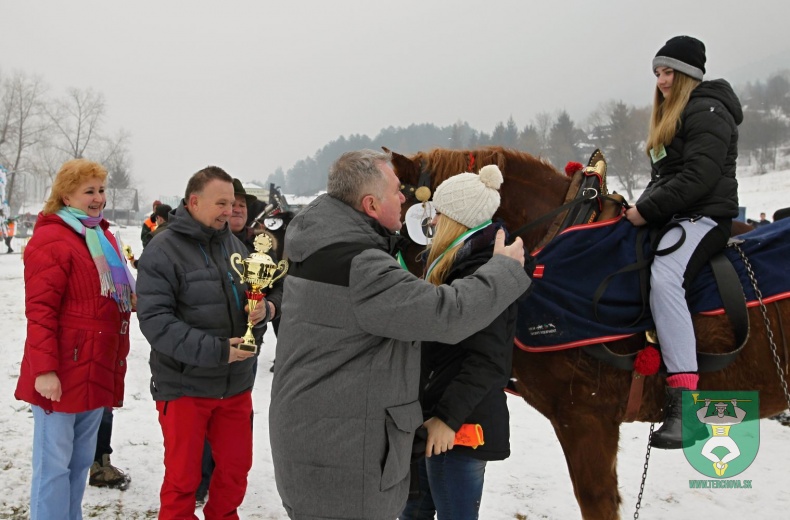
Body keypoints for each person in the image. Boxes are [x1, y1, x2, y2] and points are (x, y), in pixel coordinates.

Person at [269, 149, 531, 519]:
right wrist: (503, 271)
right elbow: (446, 313)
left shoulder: (324, 245)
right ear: (371, 203)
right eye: (396, 191)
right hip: (343, 457)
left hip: (327, 442)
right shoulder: (359, 265)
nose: (406, 198)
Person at [136, 166, 278, 519]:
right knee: (183, 481)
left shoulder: (234, 245)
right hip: (185, 386)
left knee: (234, 473)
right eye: (221, 203)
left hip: (235, 386)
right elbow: (156, 322)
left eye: (232, 203)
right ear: (194, 201)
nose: (229, 211)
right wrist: (217, 351)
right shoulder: (163, 249)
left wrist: (263, 313)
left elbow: (253, 299)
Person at [625, 35, 742, 449]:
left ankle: (686, 406)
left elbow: (698, 179)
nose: (661, 80)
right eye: (657, 72)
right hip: (678, 215)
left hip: (707, 217)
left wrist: (647, 210)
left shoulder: (708, 109)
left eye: (668, 71)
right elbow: (668, 178)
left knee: (665, 278)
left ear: (689, 73)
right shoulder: (679, 113)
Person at [14, 158, 134, 519]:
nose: (98, 198)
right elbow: (40, 312)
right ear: (66, 195)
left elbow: (112, 296)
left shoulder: (101, 236)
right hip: (61, 373)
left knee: (81, 464)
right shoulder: (51, 240)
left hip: (96, 366)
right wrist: (45, 370)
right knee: (53, 467)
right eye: (89, 191)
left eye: (101, 190)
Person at [399, 165, 519, 520]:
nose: (431, 223)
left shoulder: (485, 272)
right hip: (430, 417)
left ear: (457, 219)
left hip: (459, 428)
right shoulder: (457, 265)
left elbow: (490, 359)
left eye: (438, 214)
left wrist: (446, 420)